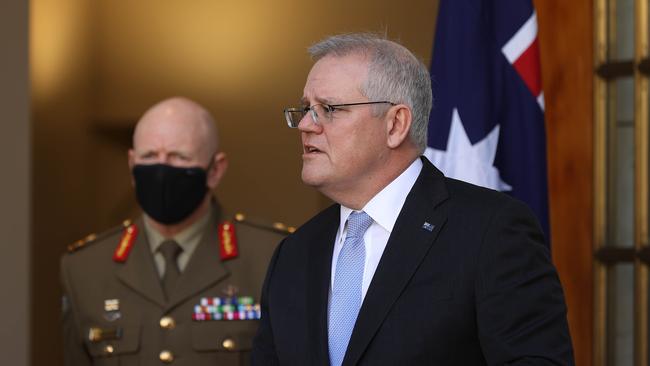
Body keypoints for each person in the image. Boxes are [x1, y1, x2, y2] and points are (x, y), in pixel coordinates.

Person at [251, 33, 574, 365]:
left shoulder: (490, 232)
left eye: (329, 109)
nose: (305, 124)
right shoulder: (294, 253)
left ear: (396, 124)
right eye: (306, 109)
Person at [61, 97, 290, 366]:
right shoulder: (84, 268)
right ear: (132, 164)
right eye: (149, 156)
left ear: (215, 170)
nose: (161, 169)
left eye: (179, 157)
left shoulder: (272, 257)